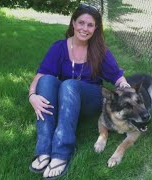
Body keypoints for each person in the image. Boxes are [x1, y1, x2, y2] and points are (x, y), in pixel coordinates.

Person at [28, 3, 130, 179]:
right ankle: (44, 149)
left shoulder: (100, 51)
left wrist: (127, 89)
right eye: (81, 23)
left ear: (96, 28)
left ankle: (61, 152)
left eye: (90, 25)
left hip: (89, 99)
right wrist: (32, 96)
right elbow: (40, 75)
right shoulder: (59, 47)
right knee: (46, 80)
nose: (85, 28)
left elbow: (118, 78)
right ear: (73, 23)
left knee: (69, 84)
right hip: (65, 102)